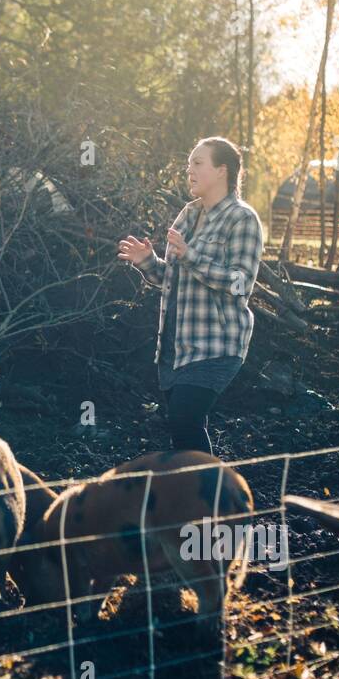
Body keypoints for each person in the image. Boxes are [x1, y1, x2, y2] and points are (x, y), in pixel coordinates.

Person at [118, 136, 263, 455]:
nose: (190, 171)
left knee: (186, 420)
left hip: (216, 345)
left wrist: (192, 254)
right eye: (188, 165)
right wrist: (147, 262)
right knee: (184, 431)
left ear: (222, 171)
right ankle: (199, 499)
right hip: (175, 347)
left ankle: (215, 499)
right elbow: (172, 278)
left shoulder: (242, 219)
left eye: (198, 163)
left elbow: (241, 284)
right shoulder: (188, 214)